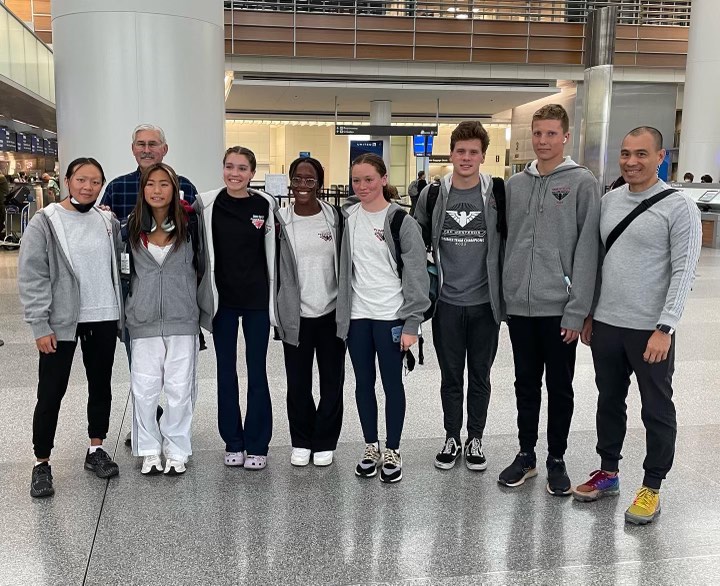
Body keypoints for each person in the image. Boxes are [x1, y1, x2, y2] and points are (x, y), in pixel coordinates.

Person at [574, 127, 702, 524]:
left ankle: (652, 486)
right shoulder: (610, 201)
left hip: (650, 331)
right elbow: (597, 262)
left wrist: (667, 327)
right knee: (608, 401)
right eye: (626, 154)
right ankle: (608, 472)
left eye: (641, 154)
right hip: (608, 324)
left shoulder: (680, 207)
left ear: (660, 156)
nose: (631, 161)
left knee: (656, 409)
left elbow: (684, 270)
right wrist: (590, 312)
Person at [499, 104, 600, 496]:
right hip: (521, 309)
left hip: (560, 309)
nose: (543, 141)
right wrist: (507, 294)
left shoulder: (582, 182)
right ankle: (527, 455)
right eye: (538, 134)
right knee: (525, 383)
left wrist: (578, 310)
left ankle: (556, 457)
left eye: (551, 134)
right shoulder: (515, 184)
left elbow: (588, 249)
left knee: (559, 386)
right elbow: (508, 241)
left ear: (566, 137)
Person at [18, 157, 123, 498]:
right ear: (67, 180)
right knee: (51, 391)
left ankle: (96, 448)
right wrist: (39, 324)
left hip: (103, 316)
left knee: (100, 385)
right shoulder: (45, 221)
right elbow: (33, 276)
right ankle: (41, 461)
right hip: (61, 322)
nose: (87, 187)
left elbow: (119, 265)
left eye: (94, 181)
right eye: (81, 179)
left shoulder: (107, 220)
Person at [413, 121, 505, 473]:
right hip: (447, 304)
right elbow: (414, 239)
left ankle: (475, 438)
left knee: (479, 374)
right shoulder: (433, 195)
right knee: (451, 376)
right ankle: (452, 436)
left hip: (485, 304)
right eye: (460, 151)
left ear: (483, 156)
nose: (466, 158)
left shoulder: (496, 193)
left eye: (473, 152)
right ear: (451, 154)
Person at [100, 124, 200, 446]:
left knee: (177, 377)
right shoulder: (117, 188)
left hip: (176, 305)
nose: (146, 149)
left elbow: (198, 247)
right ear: (133, 149)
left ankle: (171, 433)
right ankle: (147, 430)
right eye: (140, 144)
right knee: (143, 374)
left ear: (164, 149)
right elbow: (106, 238)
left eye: (153, 144)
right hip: (139, 304)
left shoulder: (184, 186)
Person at [337, 153, 429, 483]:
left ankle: (393, 448)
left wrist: (412, 323)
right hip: (358, 317)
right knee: (363, 384)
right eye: (356, 180)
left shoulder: (400, 221)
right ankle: (371, 446)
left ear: (384, 179)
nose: (362, 186)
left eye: (369, 179)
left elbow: (417, 275)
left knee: (392, 384)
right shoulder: (348, 218)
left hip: (391, 317)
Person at [195, 146, 277, 470]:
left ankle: (258, 443)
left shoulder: (265, 205)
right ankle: (233, 440)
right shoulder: (207, 204)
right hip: (223, 303)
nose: (235, 174)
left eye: (242, 168)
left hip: (257, 301)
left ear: (252, 173)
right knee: (225, 372)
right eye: (230, 166)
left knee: (257, 371)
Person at [124, 163, 201, 476]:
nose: (157, 190)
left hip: (182, 319)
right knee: (143, 390)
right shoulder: (129, 228)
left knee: (180, 389)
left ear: (175, 189)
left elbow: (204, 268)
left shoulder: (190, 226)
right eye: (151, 184)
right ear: (143, 190)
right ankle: (149, 450)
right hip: (142, 321)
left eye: (164, 184)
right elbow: (123, 273)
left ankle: (177, 449)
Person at [275, 156, 345, 467]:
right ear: (290, 182)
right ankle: (301, 440)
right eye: (298, 179)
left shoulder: (334, 218)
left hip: (330, 313)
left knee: (332, 382)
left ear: (319, 184)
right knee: (298, 383)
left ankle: (325, 440)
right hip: (296, 317)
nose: (303, 186)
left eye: (310, 180)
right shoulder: (280, 221)